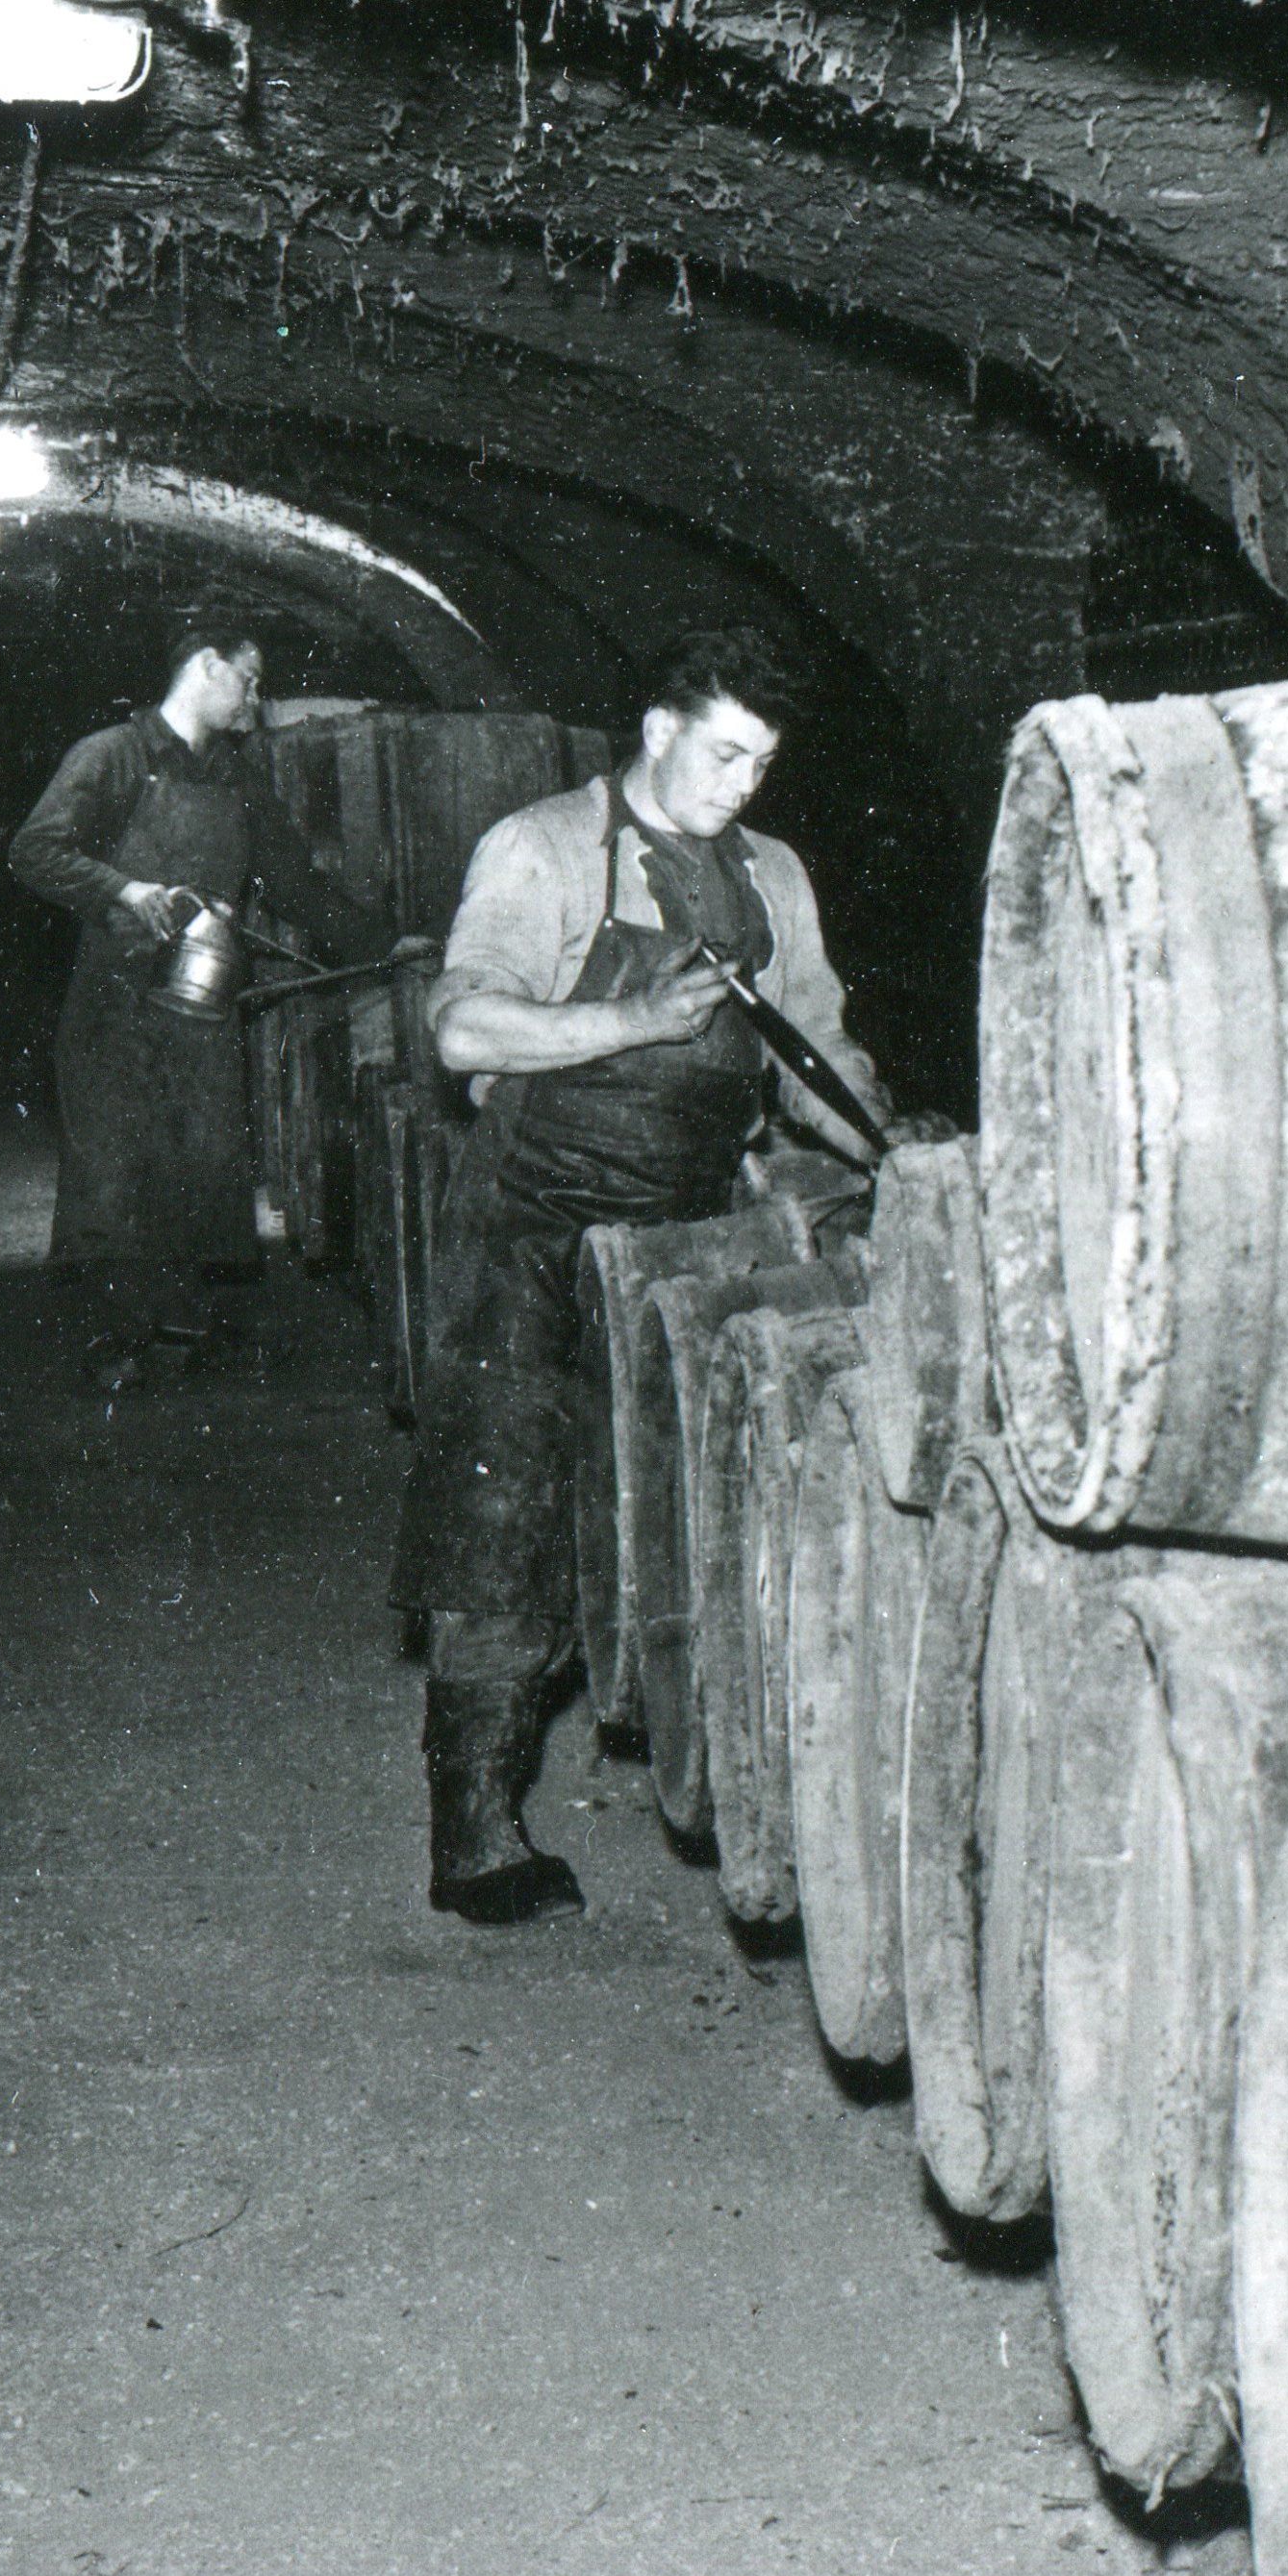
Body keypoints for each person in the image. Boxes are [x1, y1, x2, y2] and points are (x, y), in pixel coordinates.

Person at [396, 631, 860, 1925]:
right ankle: (476, 1834)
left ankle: (713, 1776)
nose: (741, 785)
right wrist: (631, 1022)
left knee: (673, 1511)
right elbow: (464, 1028)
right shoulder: (543, 848)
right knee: (504, 1527)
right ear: (659, 729)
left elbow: (815, 1047)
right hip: (533, 1233)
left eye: (762, 763)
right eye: (723, 753)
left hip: (682, 1239)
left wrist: (886, 1140)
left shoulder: (770, 872)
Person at [2, 619, 307, 1281]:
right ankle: (110, 1327)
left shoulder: (239, 778)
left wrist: (388, 941)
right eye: (249, 680)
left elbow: (296, 884)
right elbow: (33, 850)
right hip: (113, 1009)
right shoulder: (112, 755)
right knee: (111, 1188)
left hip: (202, 1010)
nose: (254, 700)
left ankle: (198, 1326)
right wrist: (124, 889)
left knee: (209, 1181)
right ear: (208, 665)